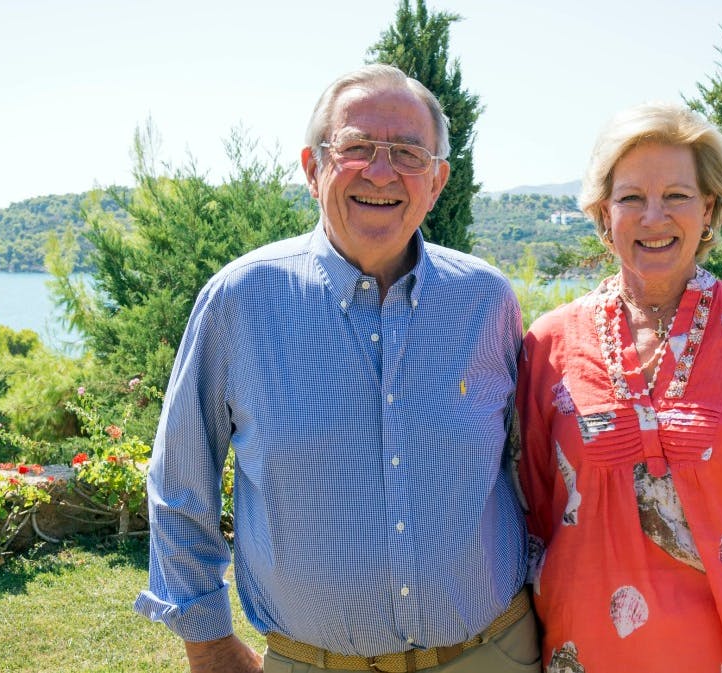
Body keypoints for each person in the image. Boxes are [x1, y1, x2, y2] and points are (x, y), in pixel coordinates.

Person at [135, 64, 538, 673]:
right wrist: (209, 643)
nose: (382, 172)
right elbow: (180, 485)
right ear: (311, 168)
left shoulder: (486, 301)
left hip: (492, 654)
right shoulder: (241, 301)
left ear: (437, 181)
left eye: (408, 152)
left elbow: (526, 466)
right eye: (355, 148)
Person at [514, 102, 722, 673]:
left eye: (677, 195)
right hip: (590, 654)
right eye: (630, 198)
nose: (654, 217)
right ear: (603, 214)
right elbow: (530, 522)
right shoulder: (549, 343)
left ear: (711, 208)